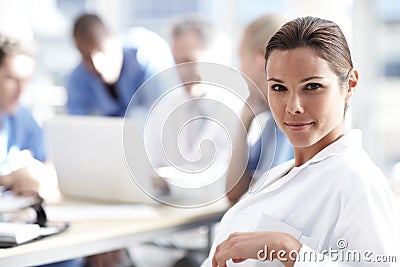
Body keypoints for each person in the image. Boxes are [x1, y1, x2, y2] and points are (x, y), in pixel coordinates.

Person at [202, 16, 400, 267]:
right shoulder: (278, 175)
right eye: (278, 88)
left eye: (312, 86)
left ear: (350, 85)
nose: (293, 107)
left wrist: (287, 248)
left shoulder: (358, 182)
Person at [225, 14, 294, 203]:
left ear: (258, 60)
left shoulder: (291, 121)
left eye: (242, 60)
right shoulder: (270, 122)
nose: (241, 70)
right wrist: (244, 120)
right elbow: (234, 191)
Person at [66, 13, 175, 116]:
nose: (97, 65)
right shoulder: (78, 79)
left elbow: (164, 115)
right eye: (87, 57)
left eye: (101, 51)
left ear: (114, 37)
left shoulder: (147, 55)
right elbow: (78, 127)